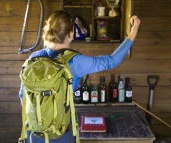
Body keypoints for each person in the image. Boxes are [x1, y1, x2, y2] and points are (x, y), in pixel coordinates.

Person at [19, 11, 140, 143]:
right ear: (71, 34)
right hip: (61, 133)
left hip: (33, 132)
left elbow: (22, 95)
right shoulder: (75, 61)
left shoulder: (34, 58)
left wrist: (40, 118)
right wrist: (134, 29)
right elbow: (112, 60)